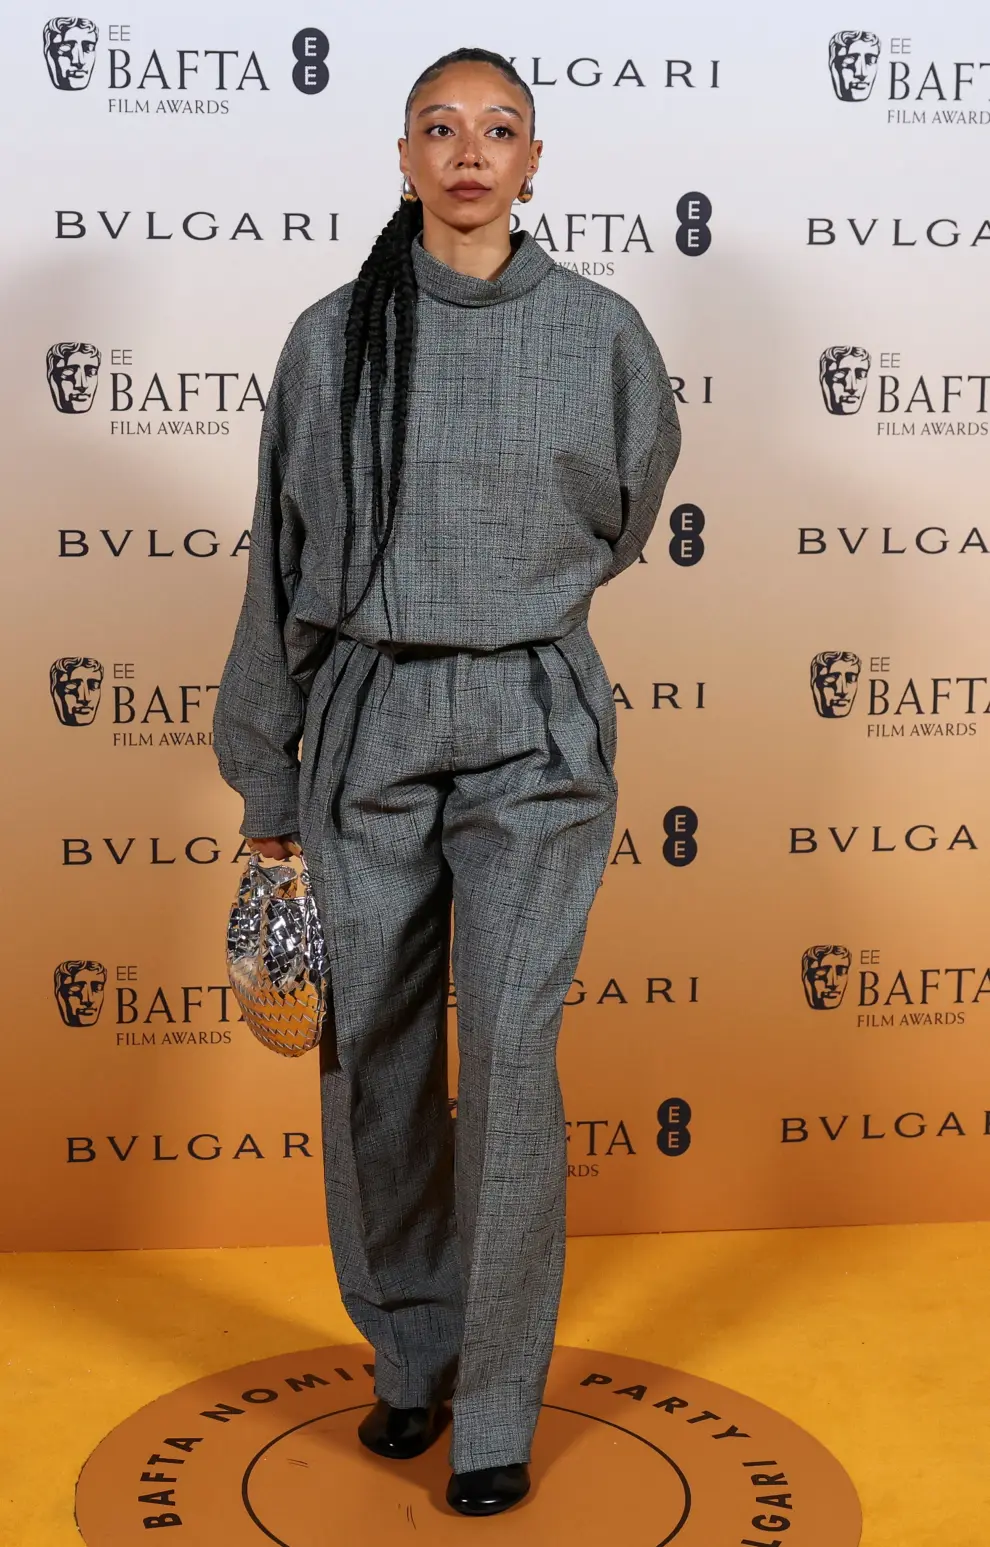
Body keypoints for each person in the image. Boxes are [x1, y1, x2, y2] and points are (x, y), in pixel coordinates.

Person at [213, 45, 680, 1517]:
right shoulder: (327, 338)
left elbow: (616, 512)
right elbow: (280, 568)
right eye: (439, 128)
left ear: (534, 158)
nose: (468, 152)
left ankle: (493, 1406)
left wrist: (500, 597)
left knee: (518, 1062)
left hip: (534, 726)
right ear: (402, 155)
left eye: (497, 129)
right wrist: (266, 785)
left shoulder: (603, 333)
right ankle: (408, 1356)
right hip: (365, 720)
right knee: (384, 1062)